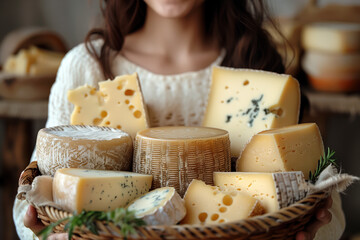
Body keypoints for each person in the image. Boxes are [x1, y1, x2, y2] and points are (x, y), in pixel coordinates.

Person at [13, 0, 344, 239]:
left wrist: (312, 230)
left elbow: (325, 206)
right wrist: (47, 235)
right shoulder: (87, 66)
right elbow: (33, 196)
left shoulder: (256, 63)